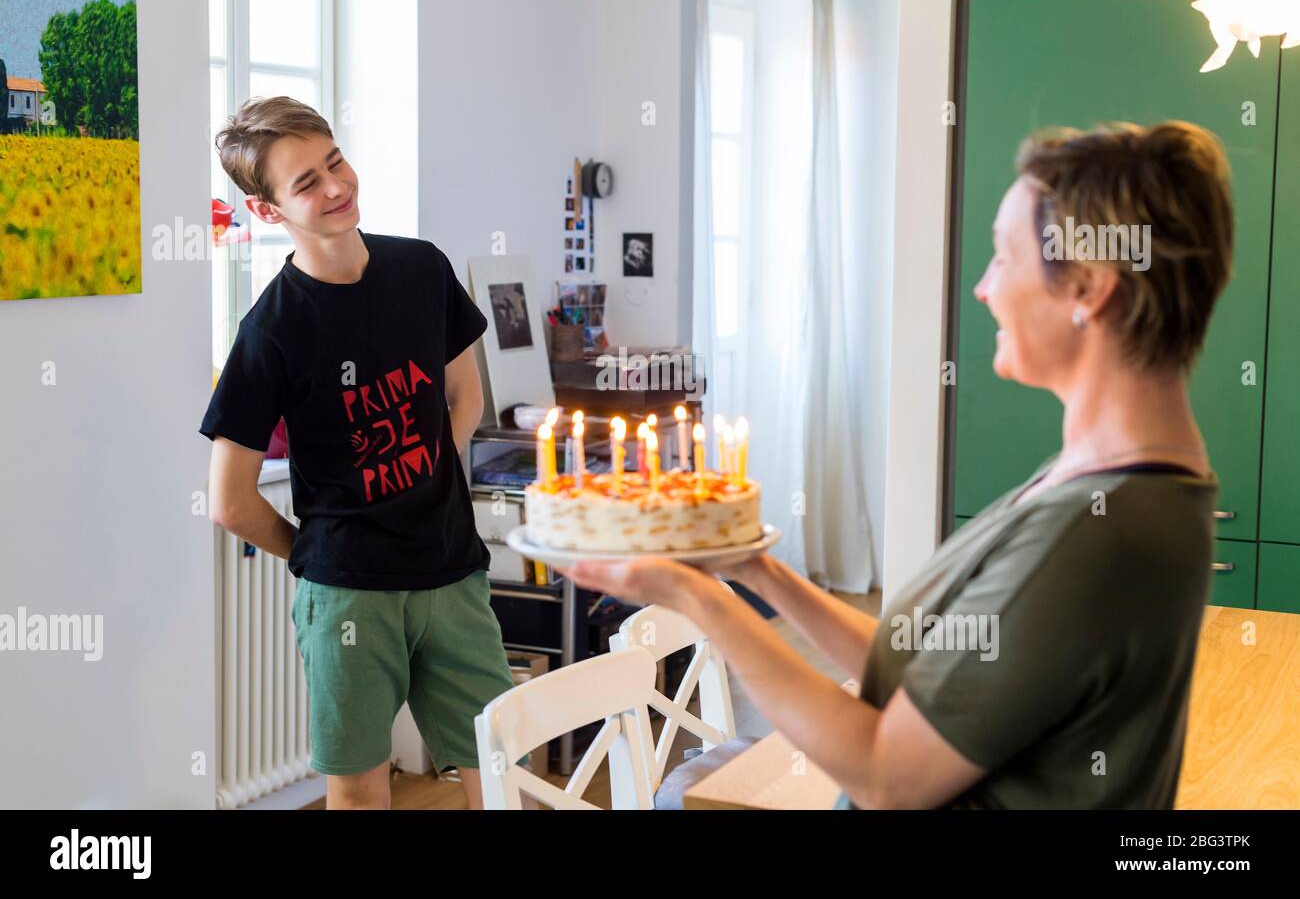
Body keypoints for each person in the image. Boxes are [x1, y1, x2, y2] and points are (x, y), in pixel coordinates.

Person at [569, 121, 1233, 808]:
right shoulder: (1122, 484)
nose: (982, 288)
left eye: (1003, 257)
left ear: (1090, 284)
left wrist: (695, 597)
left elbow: (888, 776)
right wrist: (750, 567)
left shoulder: (1093, 533)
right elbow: (921, 674)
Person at [200, 96, 513, 810]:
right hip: (349, 597)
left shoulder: (423, 269)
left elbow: (464, 398)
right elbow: (230, 500)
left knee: (502, 771)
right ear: (267, 212)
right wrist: (320, 560)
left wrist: (426, 476)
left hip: (452, 573)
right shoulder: (269, 331)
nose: (336, 186)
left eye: (334, 161)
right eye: (306, 182)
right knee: (361, 795)